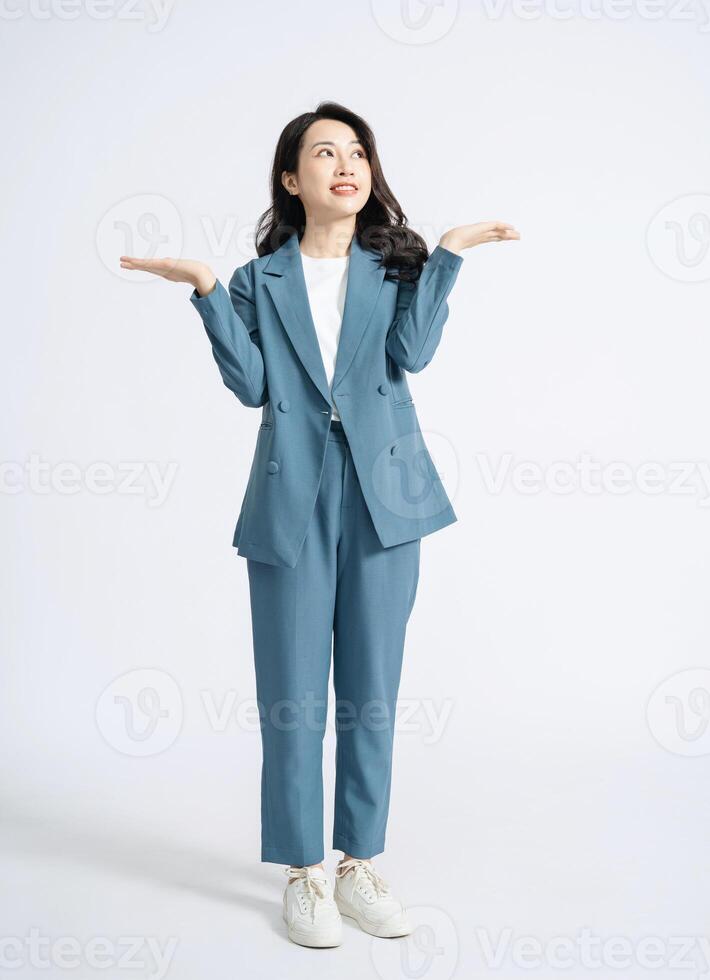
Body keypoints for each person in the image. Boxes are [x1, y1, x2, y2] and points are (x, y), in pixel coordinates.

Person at [121, 100, 519, 948]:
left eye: (359, 153)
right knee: (293, 698)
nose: (347, 164)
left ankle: (359, 863)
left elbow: (411, 355)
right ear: (290, 178)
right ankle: (304, 871)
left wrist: (446, 255)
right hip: (289, 495)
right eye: (325, 152)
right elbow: (252, 385)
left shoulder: (397, 268)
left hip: (388, 493)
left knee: (372, 694)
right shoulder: (256, 279)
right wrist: (203, 290)